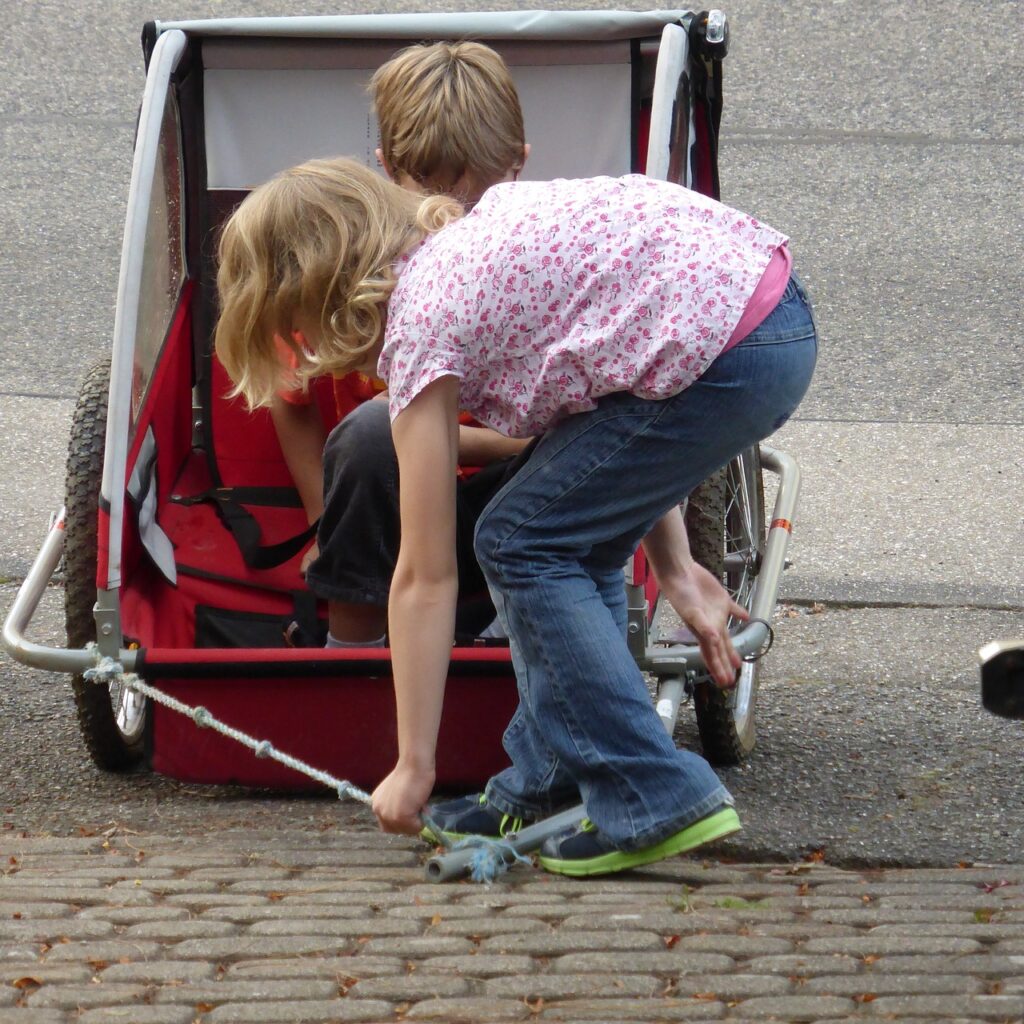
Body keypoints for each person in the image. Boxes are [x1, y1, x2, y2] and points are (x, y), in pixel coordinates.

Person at [215, 160, 817, 876]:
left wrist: (414, 765)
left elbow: (424, 577)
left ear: (314, 295)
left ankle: (651, 789)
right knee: (561, 540)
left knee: (518, 541)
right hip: (759, 314)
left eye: (294, 329)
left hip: (730, 349)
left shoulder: (423, 321)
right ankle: (547, 781)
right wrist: (672, 565)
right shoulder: (464, 252)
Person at [269, 41, 530, 647]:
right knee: (369, 435)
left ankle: (518, 624)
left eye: (478, 194)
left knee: (385, 425)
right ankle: (351, 654)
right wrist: (320, 522)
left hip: (505, 500)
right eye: (430, 190)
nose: (458, 213)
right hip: (385, 505)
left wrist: (437, 436)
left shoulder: (529, 270)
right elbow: (290, 398)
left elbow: (565, 436)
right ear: (387, 168)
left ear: (517, 164)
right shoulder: (358, 265)